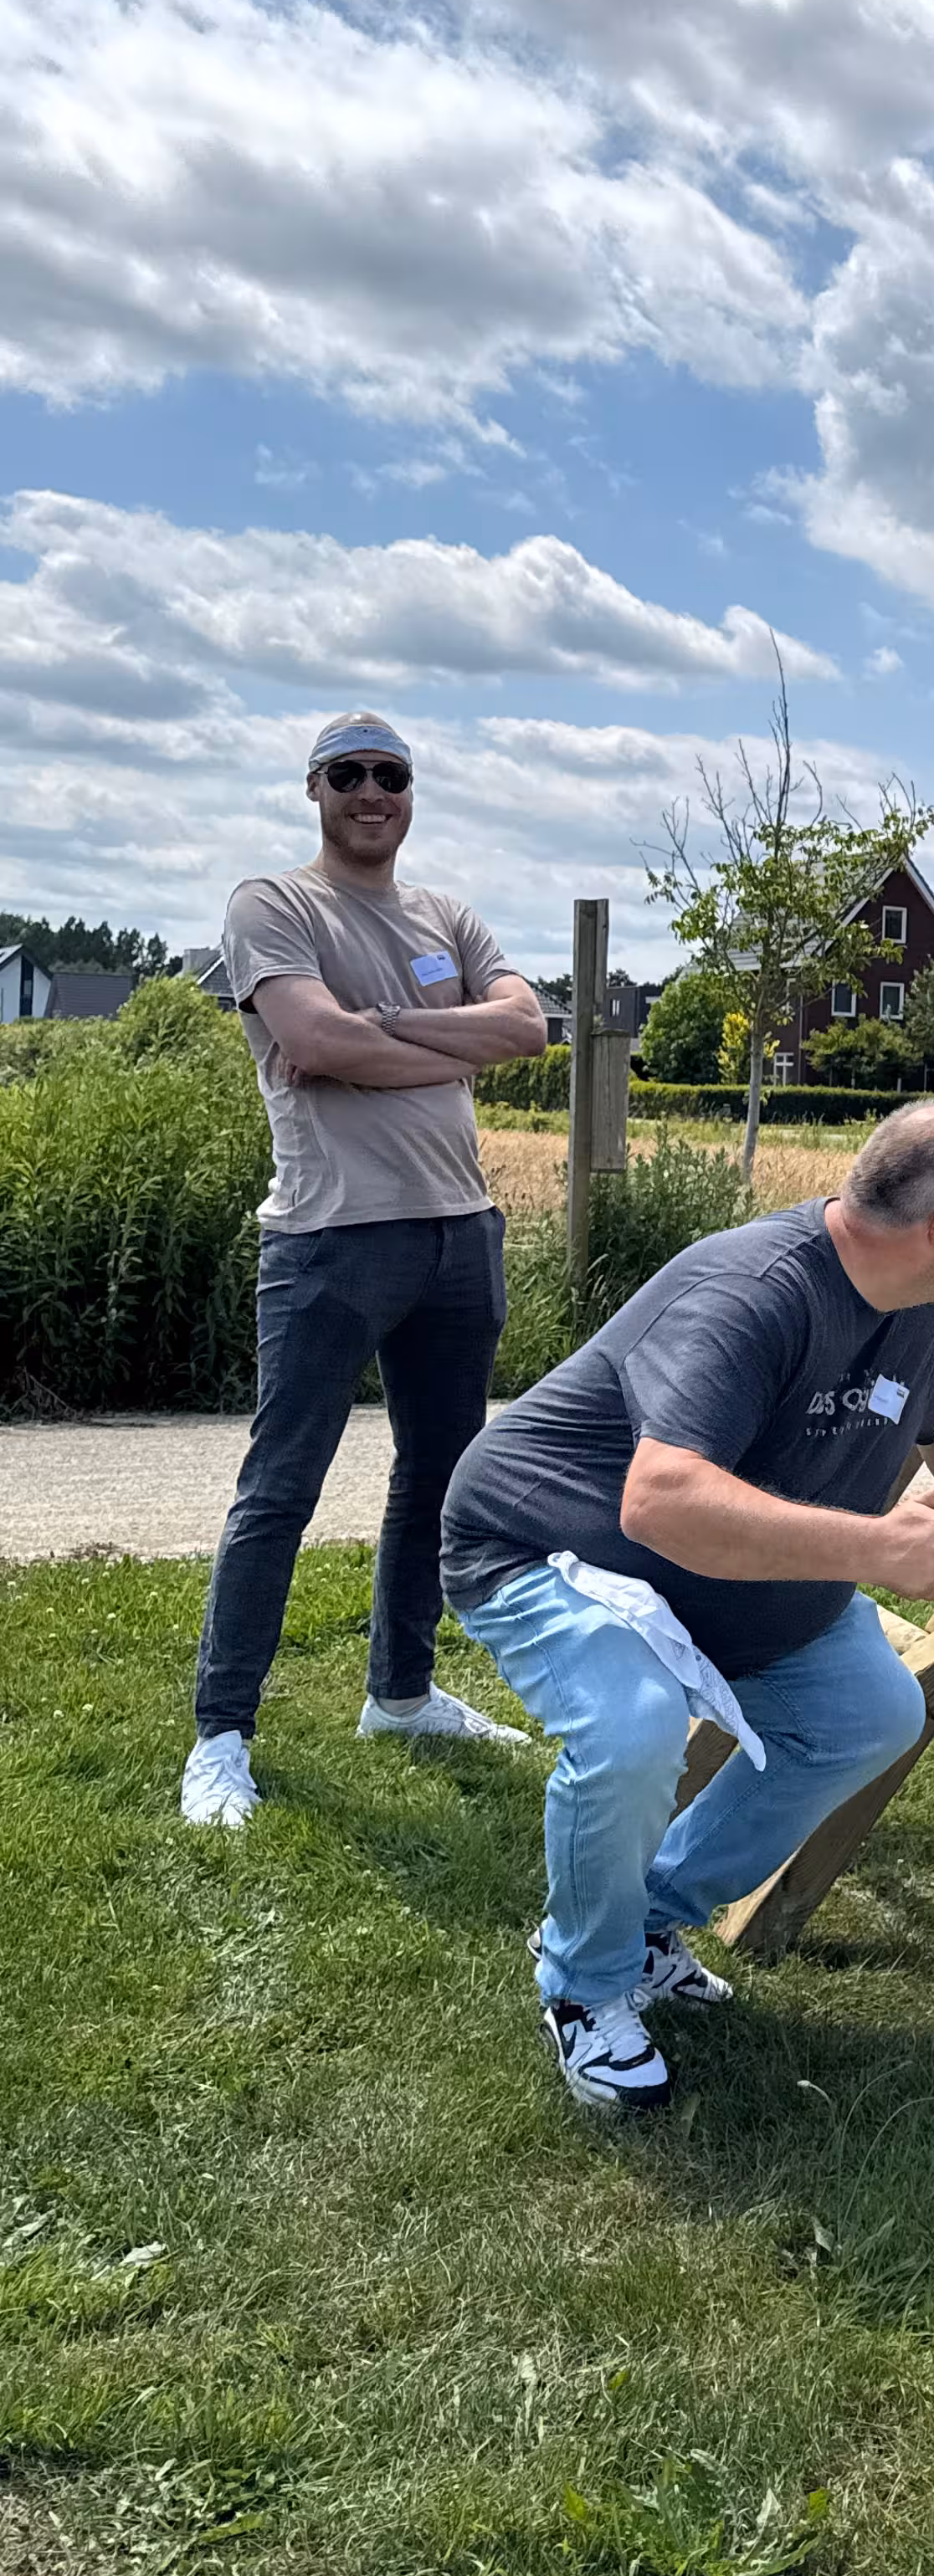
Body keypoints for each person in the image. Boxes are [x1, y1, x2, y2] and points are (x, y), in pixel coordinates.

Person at [439, 1104, 934, 2109]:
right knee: (634, 1730)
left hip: (716, 1574)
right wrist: (874, 1547)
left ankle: (645, 1922)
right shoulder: (753, 1292)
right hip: (550, 1549)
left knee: (868, 1715)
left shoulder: (911, 1297)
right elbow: (661, 1501)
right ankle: (584, 1989)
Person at [180, 711, 552, 1832]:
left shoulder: (449, 914)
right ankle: (221, 1738)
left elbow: (529, 1030)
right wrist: (432, 1042)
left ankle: (401, 1694)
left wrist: (372, 1026)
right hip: (332, 1239)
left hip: (461, 1235)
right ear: (315, 789)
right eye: (350, 774)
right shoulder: (272, 905)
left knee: (436, 1481)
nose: (372, 792)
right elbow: (313, 1041)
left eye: (391, 774)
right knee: (278, 1489)